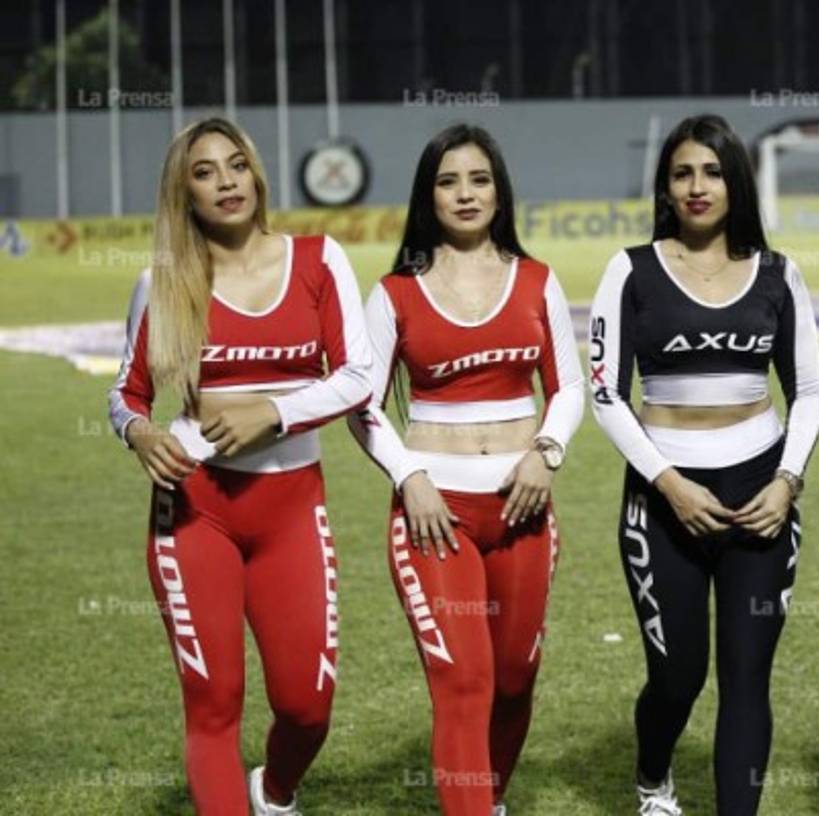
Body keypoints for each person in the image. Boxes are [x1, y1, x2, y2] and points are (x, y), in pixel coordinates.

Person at [107, 117, 372, 815]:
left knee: (307, 707)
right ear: (183, 194)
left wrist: (272, 414)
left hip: (291, 509)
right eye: (204, 172)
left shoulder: (319, 260)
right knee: (213, 705)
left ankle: (275, 792)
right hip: (194, 511)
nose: (225, 181)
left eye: (235, 165)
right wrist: (137, 432)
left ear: (256, 174)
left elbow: (359, 376)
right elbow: (126, 394)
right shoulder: (162, 282)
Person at [588, 113, 819, 815]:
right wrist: (667, 482)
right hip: (663, 503)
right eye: (683, 173)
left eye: (713, 172)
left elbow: (809, 391)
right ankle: (654, 779)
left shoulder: (779, 274)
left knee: (747, 679)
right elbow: (605, 393)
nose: (698, 187)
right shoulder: (631, 270)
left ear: (736, 182)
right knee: (678, 676)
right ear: (665, 185)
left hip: (762, 501)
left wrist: (787, 481)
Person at [347, 124, 583, 816]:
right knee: (465, 683)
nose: (466, 193)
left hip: (522, 510)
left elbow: (569, 387)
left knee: (514, 679)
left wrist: (547, 452)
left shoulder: (537, 280)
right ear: (428, 197)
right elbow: (360, 405)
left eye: (479, 179)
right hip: (435, 515)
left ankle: (488, 799)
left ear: (500, 191)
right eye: (449, 181)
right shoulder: (394, 294)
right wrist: (408, 478)